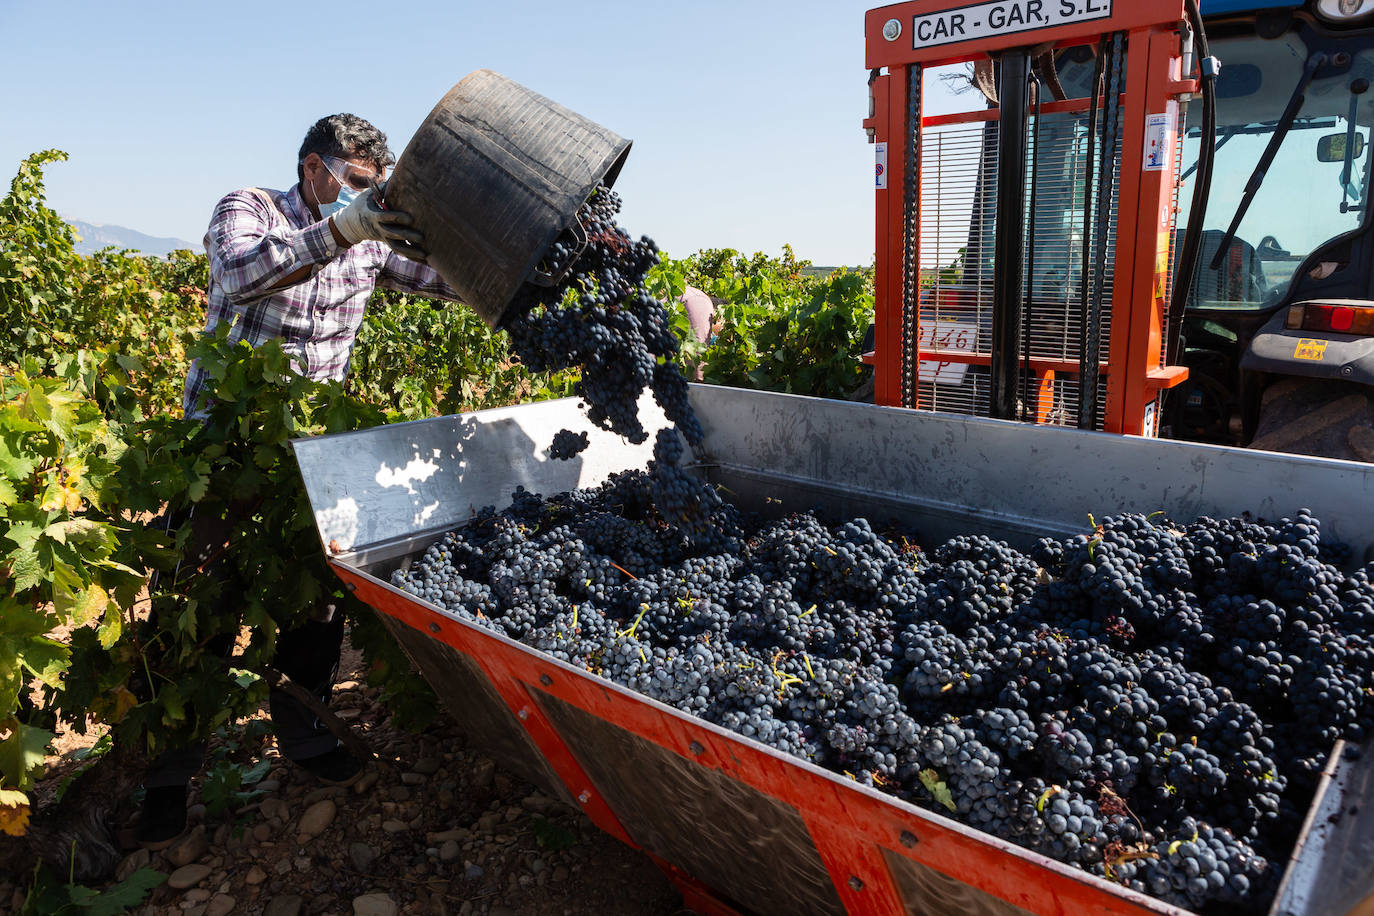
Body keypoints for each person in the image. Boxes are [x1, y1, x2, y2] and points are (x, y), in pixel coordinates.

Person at [137, 113, 460, 847]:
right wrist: (342, 231)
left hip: (312, 456)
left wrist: (537, 277)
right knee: (196, 605)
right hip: (222, 451)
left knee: (316, 603)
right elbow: (241, 276)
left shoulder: (371, 238)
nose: (363, 200)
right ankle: (165, 777)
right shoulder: (248, 208)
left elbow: (449, 281)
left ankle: (308, 740)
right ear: (314, 168)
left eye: (372, 191)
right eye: (353, 184)